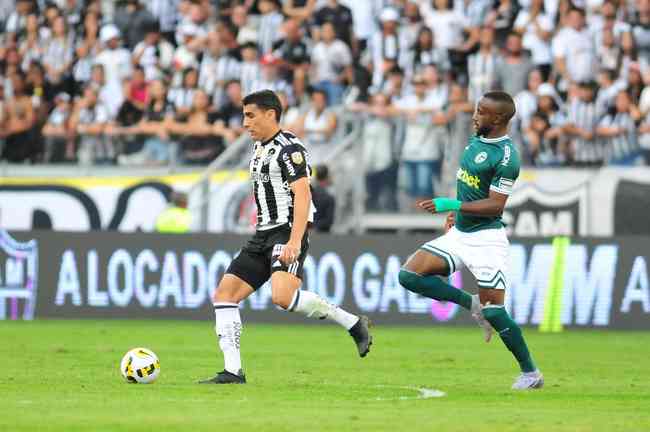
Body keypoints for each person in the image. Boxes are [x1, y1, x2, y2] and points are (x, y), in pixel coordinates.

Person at [199, 90, 372, 385]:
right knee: (224, 296)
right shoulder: (258, 148)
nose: (245, 123)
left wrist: (294, 241)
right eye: (244, 116)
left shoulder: (289, 148)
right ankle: (232, 371)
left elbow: (303, 195)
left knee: (282, 297)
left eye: (250, 115)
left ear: (270, 114)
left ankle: (351, 323)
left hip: (286, 230)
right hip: (262, 234)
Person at [398, 91, 543, 390]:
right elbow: (468, 184)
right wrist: (456, 215)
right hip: (461, 233)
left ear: (499, 118)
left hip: (487, 239)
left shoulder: (507, 157)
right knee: (409, 275)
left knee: (496, 311)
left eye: (481, 111)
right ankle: (471, 304)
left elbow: (495, 205)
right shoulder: (475, 140)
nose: (475, 116)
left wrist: (451, 205)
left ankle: (531, 373)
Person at [311, 165, 336, 232]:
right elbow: (329, 221)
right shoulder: (329, 198)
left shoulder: (309, 195)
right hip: (323, 235)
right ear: (327, 177)